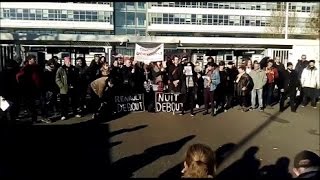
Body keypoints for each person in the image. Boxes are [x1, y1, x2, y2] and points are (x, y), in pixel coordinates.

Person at [16, 54, 43, 124]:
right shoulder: (26, 68)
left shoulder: (35, 67)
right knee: (32, 105)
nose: (35, 60)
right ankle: (34, 118)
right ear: (29, 60)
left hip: (34, 88)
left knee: (33, 104)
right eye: (34, 59)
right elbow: (18, 76)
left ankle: (34, 117)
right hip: (30, 89)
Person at [55, 56, 81, 120]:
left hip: (73, 88)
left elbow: (77, 77)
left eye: (70, 61)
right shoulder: (61, 69)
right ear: (65, 61)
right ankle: (64, 114)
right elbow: (57, 78)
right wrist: (61, 86)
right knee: (64, 103)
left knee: (74, 101)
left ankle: (75, 113)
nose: (69, 62)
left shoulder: (74, 68)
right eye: (68, 61)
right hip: (64, 88)